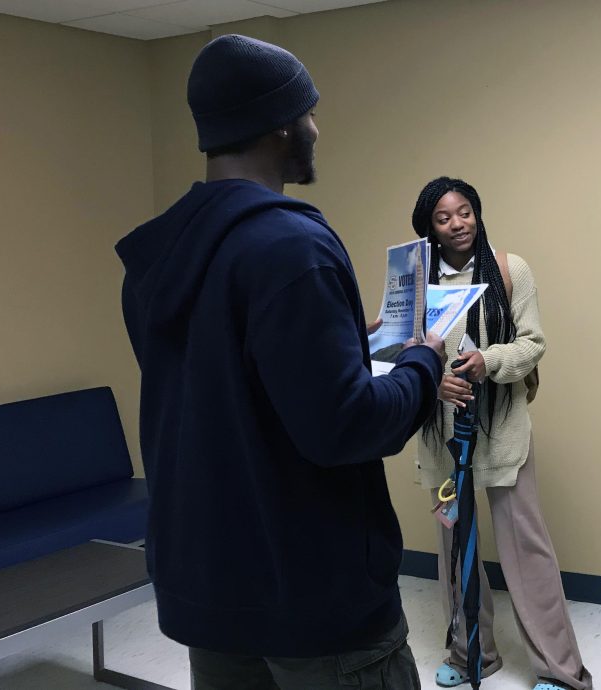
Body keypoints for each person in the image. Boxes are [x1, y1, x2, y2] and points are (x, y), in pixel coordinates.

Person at [115, 35, 444, 689]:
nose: (316, 129)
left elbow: (233, 395)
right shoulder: (293, 245)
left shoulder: (159, 259)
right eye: (310, 112)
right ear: (281, 125)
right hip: (314, 602)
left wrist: (345, 344)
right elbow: (346, 426)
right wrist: (421, 364)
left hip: (210, 594)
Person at [409, 177, 592, 690]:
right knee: (454, 553)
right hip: (441, 435)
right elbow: (399, 347)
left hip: (502, 430)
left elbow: (534, 344)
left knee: (527, 551)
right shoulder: (416, 279)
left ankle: (560, 671)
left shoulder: (510, 270)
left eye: (464, 212)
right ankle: (473, 655)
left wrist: (486, 362)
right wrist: (429, 377)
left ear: (477, 212)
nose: (457, 224)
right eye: (443, 217)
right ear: (429, 227)